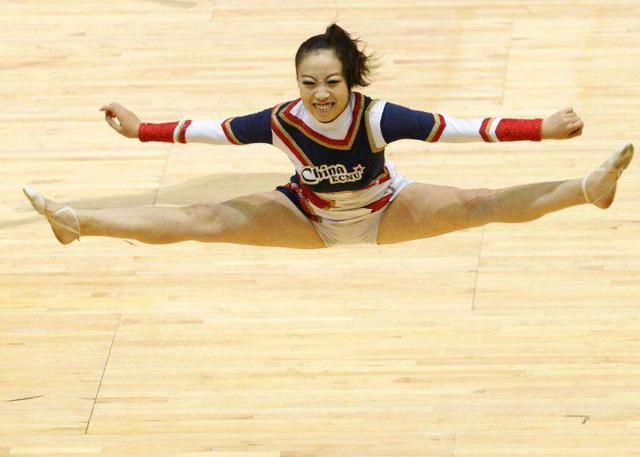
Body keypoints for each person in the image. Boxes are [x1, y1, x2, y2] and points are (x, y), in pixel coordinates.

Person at [24, 24, 633, 249]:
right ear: (297, 81)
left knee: (482, 205)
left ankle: (589, 188)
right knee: (200, 218)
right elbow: (206, 131)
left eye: (332, 82)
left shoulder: (378, 116)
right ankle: (77, 222)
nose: (320, 94)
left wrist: (541, 129)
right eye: (309, 82)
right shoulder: (280, 120)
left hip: (388, 208)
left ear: (350, 81)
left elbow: (462, 129)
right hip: (306, 217)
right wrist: (140, 131)